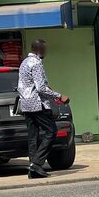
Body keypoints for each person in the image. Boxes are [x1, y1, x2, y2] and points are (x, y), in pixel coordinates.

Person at [17, 39, 69, 179]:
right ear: (39, 49)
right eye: (44, 49)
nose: (45, 52)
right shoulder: (36, 63)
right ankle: (36, 163)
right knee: (51, 131)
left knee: (33, 136)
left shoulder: (24, 63)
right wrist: (59, 96)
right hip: (37, 103)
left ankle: (33, 169)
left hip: (26, 104)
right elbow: (40, 88)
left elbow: (29, 84)